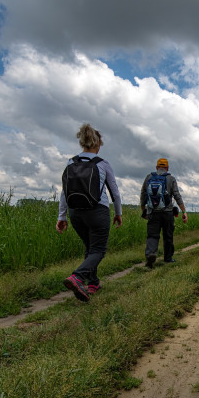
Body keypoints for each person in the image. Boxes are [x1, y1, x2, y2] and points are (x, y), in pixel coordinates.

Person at [56, 123, 122, 301]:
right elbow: (114, 192)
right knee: (98, 250)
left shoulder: (71, 162)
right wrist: (118, 213)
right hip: (97, 211)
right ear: (97, 143)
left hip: (75, 212)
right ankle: (77, 277)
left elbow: (65, 192)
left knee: (90, 249)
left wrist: (62, 216)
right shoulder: (103, 164)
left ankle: (92, 284)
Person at [140, 158, 187, 268]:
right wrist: (184, 211)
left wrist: (143, 209)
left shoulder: (149, 177)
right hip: (167, 213)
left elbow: (143, 194)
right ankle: (168, 258)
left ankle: (151, 254)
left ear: (156, 167)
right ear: (167, 168)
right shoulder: (171, 178)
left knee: (152, 236)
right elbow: (177, 195)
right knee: (168, 235)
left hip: (152, 212)